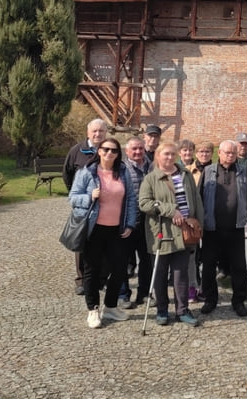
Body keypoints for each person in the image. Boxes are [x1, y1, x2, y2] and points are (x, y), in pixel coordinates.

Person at [68, 137, 137, 328]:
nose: (109, 153)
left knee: (119, 269)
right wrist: (89, 196)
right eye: (106, 149)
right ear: (99, 151)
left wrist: (130, 224)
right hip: (93, 229)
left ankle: (111, 306)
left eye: (114, 151)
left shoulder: (123, 172)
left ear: (118, 154)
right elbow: (72, 198)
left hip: (117, 230)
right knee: (92, 269)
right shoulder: (87, 172)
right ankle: (93, 310)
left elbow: (131, 199)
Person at [138, 142, 204, 326]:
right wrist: (169, 210)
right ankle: (162, 310)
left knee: (180, 273)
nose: (169, 157)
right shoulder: (151, 178)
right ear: (158, 156)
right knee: (159, 273)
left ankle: (182, 310)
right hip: (161, 231)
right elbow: (144, 203)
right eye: (165, 154)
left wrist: (200, 226)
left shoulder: (186, 175)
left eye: (172, 154)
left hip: (185, 232)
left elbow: (197, 200)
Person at [200, 140, 247, 317]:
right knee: (209, 266)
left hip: (236, 228)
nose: (230, 156)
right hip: (212, 229)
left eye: (233, 153)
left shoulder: (242, 171)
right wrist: (197, 223)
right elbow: (199, 197)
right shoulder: (208, 171)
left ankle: (238, 301)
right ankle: (210, 299)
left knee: (239, 266)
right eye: (227, 152)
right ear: (219, 153)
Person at [63, 118, 108, 296]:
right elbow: (67, 173)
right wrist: (79, 195)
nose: (98, 134)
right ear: (88, 133)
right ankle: (81, 280)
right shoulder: (77, 151)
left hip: (106, 206)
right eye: (94, 131)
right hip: (84, 206)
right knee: (82, 243)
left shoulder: (109, 149)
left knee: (103, 243)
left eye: (101, 131)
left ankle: (100, 278)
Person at [120, 136, 152, 308]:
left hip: (148, 222)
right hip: (128, 222)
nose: (138, 152)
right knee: (123, 260)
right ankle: (124, 294)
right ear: (127, 151)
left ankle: (144, 293)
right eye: (134, 149)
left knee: (147, 260)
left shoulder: (152, 166)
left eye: (141, 148)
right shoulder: (122, 168)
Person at [185, 140, 213, 301]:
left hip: (209, 218)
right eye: (201, 151)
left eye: (207, 152)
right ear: (196, 153)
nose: (204, 154)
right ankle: (192, 287)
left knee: (208, 256)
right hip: (193, 219)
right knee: (192, 256)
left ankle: (205, 287)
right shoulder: (188, 171)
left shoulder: (215, 170)